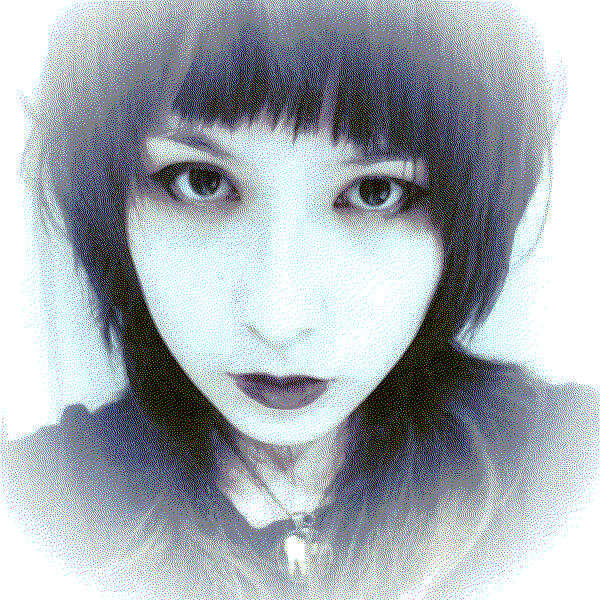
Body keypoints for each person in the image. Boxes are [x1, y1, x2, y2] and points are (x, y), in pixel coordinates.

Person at [2, 1, 598, 599]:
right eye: (201, 182)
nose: (279, 319)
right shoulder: (30, 515)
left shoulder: (573, 472)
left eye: (376, 191)